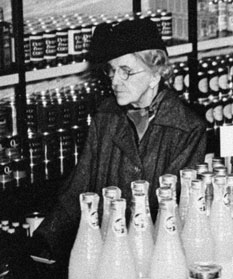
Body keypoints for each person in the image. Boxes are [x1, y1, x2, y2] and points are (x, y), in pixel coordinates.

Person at [33, 16, 207, 265]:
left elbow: (172, 208)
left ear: (155, 74)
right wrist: (43, 243)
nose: (115, 81)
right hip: (106, 253)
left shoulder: (187, 128)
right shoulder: (106, 117)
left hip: (159, 258)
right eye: (112, 70)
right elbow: (79, 187)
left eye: (126, 71)